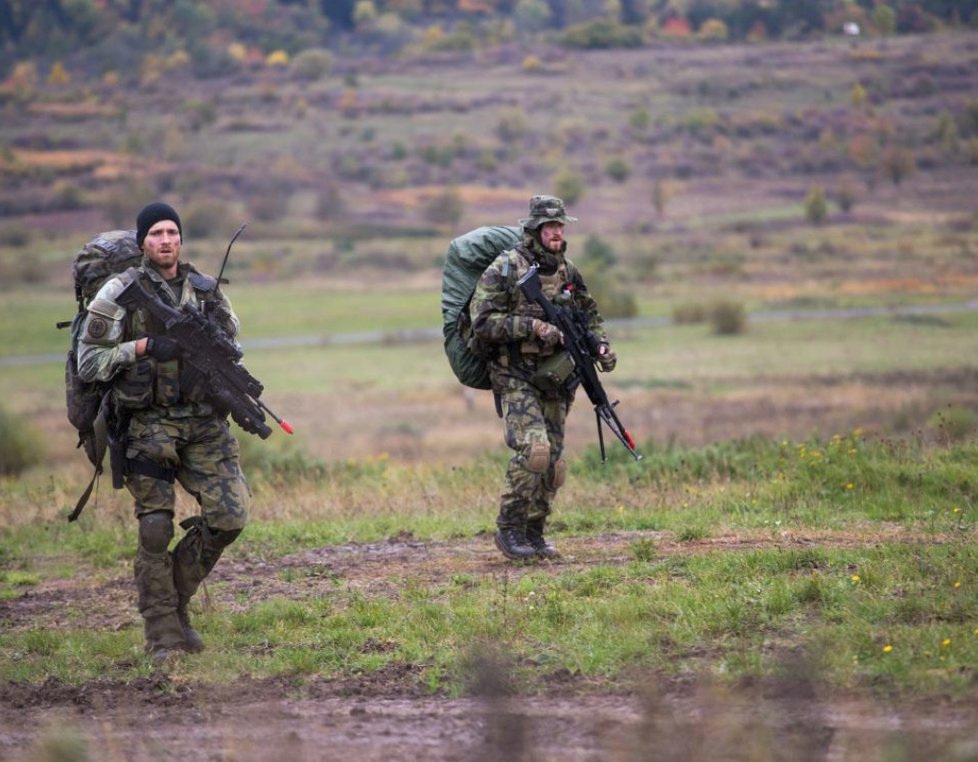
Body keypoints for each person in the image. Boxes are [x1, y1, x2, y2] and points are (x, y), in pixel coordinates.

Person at [77, 201, 250, 659]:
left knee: (230, 517)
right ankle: (163, 634)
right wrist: (144, 345)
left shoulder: (206, 291)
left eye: (172, 232)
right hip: (146, 422)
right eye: (156, 233)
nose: (166, 240)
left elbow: (234, 349)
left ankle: (175, 601)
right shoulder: (119, 292)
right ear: (142, 242)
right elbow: (89, 361)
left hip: (202, 421)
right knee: (155, 527)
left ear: (181, 239)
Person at [469, 195, 616, 561]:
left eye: (561, 225)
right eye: (550, 227)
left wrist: (600, 345)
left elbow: (589, 314)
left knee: (554, 462)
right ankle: (510, 529)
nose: (557, 232)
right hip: (515, 374)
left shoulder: (568, 270)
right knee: (534, 450)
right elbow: (482, 323)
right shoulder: (506, 268)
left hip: (557, 377)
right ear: (534, 229)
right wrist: (533, 326)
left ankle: (535, 533)